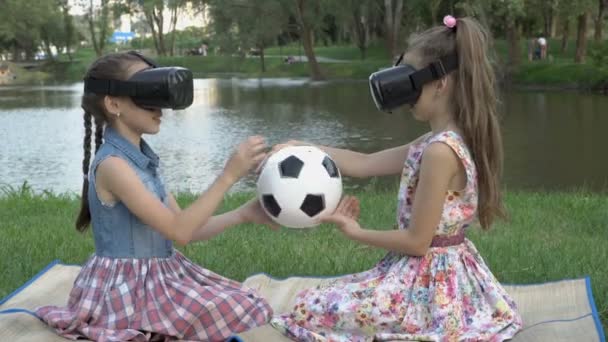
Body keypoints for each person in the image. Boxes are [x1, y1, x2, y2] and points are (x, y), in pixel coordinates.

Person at [270, 15, 523, 341]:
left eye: (409, 82)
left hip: (432, 287)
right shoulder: (443, 140)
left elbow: (418, 243)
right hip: (439, 273)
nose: (403, 96)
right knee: (325, 295)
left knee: (310, 306)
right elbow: (364, 162)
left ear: (441, 84)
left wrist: (357, 232)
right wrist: (305, 147)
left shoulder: (439, 152)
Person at [35, 51, 274, 341]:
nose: (159, 106)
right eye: (147, 92)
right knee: (240, 310)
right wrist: (228, 175)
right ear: (114, 104)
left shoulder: (143, 162)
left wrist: (243, 214)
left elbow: (184, 227)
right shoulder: (114, 166)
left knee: (249, 303)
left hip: (159, 276)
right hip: (126, 289)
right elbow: (180, 231)